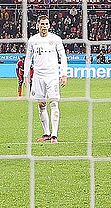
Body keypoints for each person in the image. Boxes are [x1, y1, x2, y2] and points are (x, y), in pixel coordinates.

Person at [24, 15, 67, 143]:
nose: (44, 26)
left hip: (52, 76)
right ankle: (46, 133)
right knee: (41, 105)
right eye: (42, 24)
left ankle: (54, 135)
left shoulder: (56, 39)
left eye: (46, 24)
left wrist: (63, 74)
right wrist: (26, 75)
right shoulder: (33, 40)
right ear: (38, 25)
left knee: (54, 103)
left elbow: (63, 56)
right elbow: (28, 58)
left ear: (49, 25)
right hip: (38, 76)